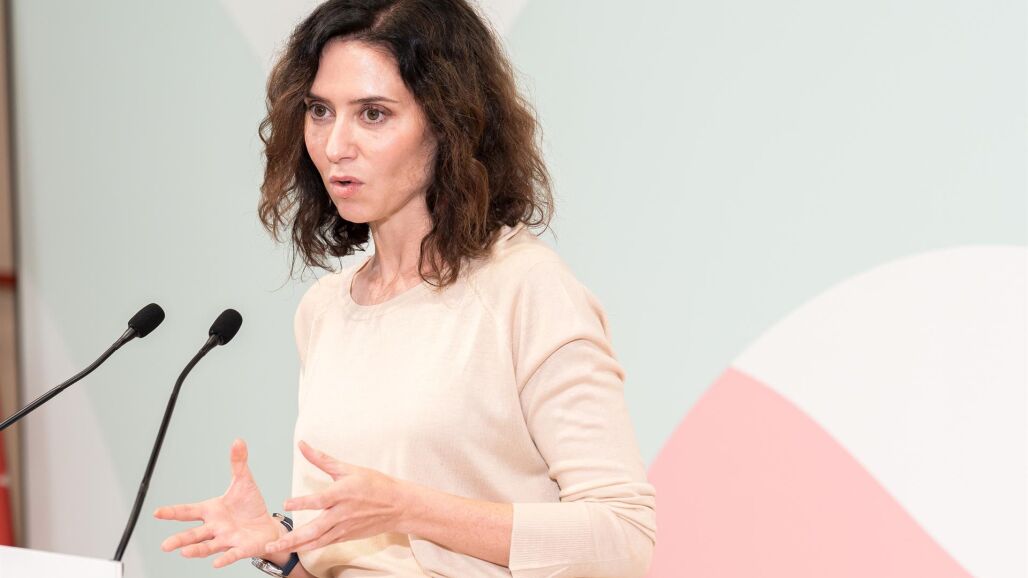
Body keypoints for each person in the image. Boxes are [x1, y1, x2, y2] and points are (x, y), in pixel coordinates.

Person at [153, 0, 656, 576]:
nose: (335, 145)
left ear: (449, 123)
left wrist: (409, 509)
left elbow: (624, 538)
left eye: (373, 114)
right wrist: (286, 552)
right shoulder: (324, 310)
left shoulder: (527, 289)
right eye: (320, 111)